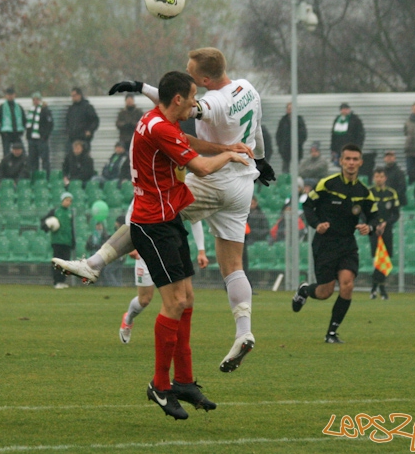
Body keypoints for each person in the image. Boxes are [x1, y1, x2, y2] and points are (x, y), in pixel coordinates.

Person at [53, 48, 270, 374]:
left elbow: (178, 104)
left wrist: (142, 87)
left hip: (215, 177)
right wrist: (261, 160)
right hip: (243, 184)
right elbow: (257, 135)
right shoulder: (248, 89)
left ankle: (93, 263)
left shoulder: (215, 103)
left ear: (205, 79)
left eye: (191, 72)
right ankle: (243, 330)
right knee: (234, 265)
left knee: (142, 212)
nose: (187, 74)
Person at [127, 71, 248, 419]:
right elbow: (202, 168)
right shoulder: (161, 128)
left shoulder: (157, 120)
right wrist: (230, 157)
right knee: (175, 302)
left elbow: (188, 144)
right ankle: (159, 385)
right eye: (193, 97)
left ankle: (183, 381)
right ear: (177, 99)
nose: (197, 103)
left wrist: (225, 146)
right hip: (151, 225)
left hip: (167, 219)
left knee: (188, 299)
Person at [292, 144, 381, 343]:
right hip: (325, 243)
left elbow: (375, 217)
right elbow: (307, 205)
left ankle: (331, 333)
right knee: (325, 292)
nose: (351, 163)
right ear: (340, 161)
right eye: (347, 159)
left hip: (348, 244)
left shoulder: (364, 191)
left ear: (360, 162)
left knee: (347, 286)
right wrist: (316, 224)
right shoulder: (327, 184)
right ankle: (305, 290)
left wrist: (370, 228)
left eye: (355, 159)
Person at [119, 221, 207, 344]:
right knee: (144, 299)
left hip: (168, 250)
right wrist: (134, 242)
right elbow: (132, 218)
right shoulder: (140, 201)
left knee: (177, 298)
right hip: (146, 251)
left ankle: (173, 337)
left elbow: (195, 217)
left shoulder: (175, 203)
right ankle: (128, 319)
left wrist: (201, 250)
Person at [368, 167, 399, 300]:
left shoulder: (391, 193)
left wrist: (386, 223)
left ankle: (375, 288)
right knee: (377, 259)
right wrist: (375, 225)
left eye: (381, 177)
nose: (379, 179)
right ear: (374, 178)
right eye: (377, 176)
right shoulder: (369, 193)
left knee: (385, 258)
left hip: (387, 230)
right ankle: (382, 289)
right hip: (374, 231)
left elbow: (396, 213)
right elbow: (364, 213)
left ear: (385, 178)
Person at [41, 192, 75, 289]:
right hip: (57, 242)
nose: (68, 202)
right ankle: (57, 281)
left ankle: (62, 281)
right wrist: (47, 226)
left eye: (70, 201)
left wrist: (73, 241)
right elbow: (43, 222)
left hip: (67, 241)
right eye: (66, 200)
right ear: (62, 201)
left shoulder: (70, 213)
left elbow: (72, 228)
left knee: (66, 263)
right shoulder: (55, 211)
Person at [25, 92, 53, 177]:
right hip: (32, 139)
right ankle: (34, 178)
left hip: (41, 139)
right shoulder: (31, 111)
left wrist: (45, 136)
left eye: (37, 99)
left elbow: (50, 125)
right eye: (34, 99)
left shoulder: (45, 110)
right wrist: (28, 136)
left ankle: (46, 178)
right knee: (33, 161)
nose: (35, 101)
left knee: (45, 160)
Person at [65, 87, 99, 153]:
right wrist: (68, 131)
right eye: (72, 96)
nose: (73, 98)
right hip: (72, 139)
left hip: (83, 139)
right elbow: (67, 121)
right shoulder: (71, 109)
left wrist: (90, 131)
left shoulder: (87, 107)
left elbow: (95, 120)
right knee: (70, 159)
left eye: (74, 96)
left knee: (84, 159)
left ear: (79, 95)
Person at [0, 87, 26, 156]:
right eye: (8, 94)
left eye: (12, 94)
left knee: (22, 153)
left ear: (14, 95)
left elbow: (24, 120)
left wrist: (22, 131)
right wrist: (1, 132)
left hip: (17, 134)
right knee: (7, 154)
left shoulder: (19, 107)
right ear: (6, 95)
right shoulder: (1, 108)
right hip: (6, 134)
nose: (10, 96)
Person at [276, 102, 307, 173]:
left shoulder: (299, 120)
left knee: (297, 168)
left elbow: (304, 134)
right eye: (288, 108)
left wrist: (298, 143)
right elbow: (278, 135)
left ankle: (297, 181)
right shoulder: (283, 120)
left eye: (291, 108)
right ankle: (286, 182)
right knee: (285, 169)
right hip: (285, 150)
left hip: (297, 149)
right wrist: (280, 146)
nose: (290, 110)